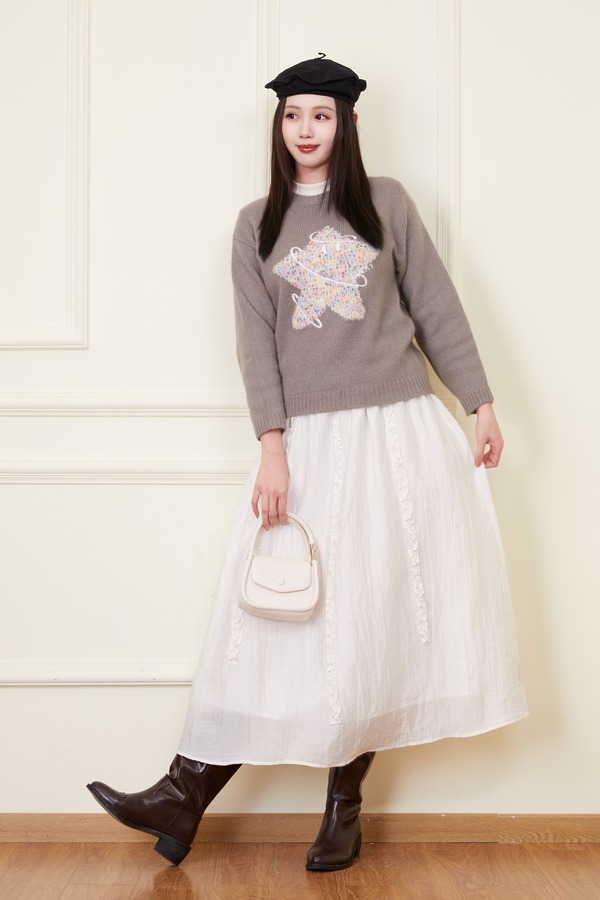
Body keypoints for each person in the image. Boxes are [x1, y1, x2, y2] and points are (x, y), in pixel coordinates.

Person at [87, 54, 528, 872]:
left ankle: (341, 810)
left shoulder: (387, 204)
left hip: (398, 435)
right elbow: (255, 347)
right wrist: (272, 447)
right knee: (265, 621)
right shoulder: (255, 225)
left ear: (347, 124)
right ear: (279, 124)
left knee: (370, 619)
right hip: (308, 444)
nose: (305, 129)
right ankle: (185, 792)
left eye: (320, 115)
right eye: (293, 115)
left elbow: (436, 307)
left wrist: (480, 402)